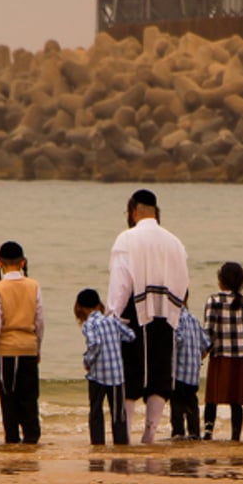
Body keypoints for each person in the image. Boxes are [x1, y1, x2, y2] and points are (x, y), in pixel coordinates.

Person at [107, 188, 189, 445]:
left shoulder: (127, 238)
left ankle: (128, 433)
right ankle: (150, 433)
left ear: (133, 211)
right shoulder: (174, 241)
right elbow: (184, 283)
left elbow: (121, 281)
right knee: (159, 373)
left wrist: (113, 314)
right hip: (167, 311)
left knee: (132, 374)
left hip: (136, 310)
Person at [0, 241, 44, 444]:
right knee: (29, 399)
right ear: (23, 262)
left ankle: (12, 440)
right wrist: (38, 347)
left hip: (6, 351)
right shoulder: (33, 286)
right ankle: (31, 439)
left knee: (9, 400)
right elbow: (39, 321)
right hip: (28, 348)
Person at [202, 261, 243, 441]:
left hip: (219, 355)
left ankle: (208, 432)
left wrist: (202, 351)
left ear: (221, 280)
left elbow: (209, 331)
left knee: (213, 397)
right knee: (236, 399)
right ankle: (235, 436)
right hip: (241, 356)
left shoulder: (213, 301)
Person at [75, 288, 135, 445]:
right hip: (116, 374)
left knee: (96, 412)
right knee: (118, 414)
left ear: (80, 307)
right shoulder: (112, 320)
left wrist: (87, 361)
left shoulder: (89, 324)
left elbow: (95, 344)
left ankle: (98, 446)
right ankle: (121, 445)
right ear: (98, 304)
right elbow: (130, 335)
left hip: (98, 375)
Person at [170, 298, 209, 440]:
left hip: (179, 372)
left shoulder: (175, 319)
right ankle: (194, 434)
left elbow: (177, 340)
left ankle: (178, 435)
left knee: (177, 406)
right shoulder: (193, 319)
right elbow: (206, 345)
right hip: (193, 374)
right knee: (192, 404)